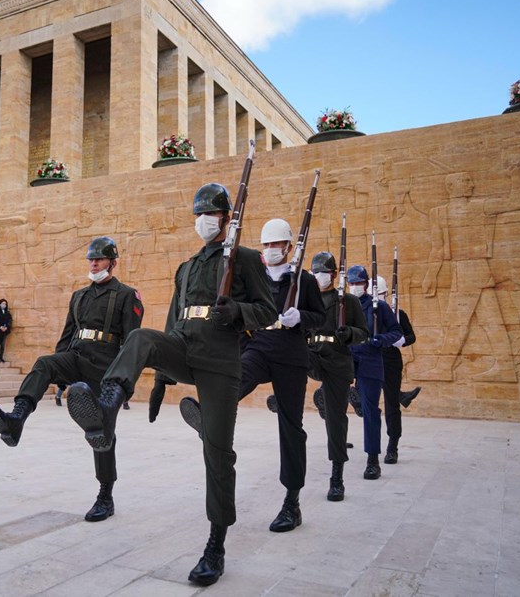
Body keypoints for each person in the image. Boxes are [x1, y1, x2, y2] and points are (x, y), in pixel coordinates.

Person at [66, 186, 276, 586]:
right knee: (142, 337)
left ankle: (216, 542)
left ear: (227, 217)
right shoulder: (188, 266)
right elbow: (172, 322)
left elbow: (268, 311)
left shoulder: (245, 259)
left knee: (217, 453)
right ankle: (106, 408)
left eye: (211, 212)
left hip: (219, 361)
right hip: (184, 346)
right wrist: (161, 375)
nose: (204, 219)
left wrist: (239, 311)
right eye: (199, 213)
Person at [178, 217, 325, 534]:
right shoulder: (252, 271)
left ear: (288, 246)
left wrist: (300, 317)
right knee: (235, 380)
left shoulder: (306, 281)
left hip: (290, 354)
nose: (271, 250)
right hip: (258, 345)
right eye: (267, 244)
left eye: (276, 244)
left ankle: (292, 501)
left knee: (291, 426)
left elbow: (320, 319)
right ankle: (207, 416)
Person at [0, 237, 144, 523]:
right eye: (91, 259)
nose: (94, 263)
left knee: (102, 434)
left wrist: (120, 385)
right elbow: (68, 334)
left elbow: (131, 344)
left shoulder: (127, 295)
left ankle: (105, 496)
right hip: (77, 356)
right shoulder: (79, 296)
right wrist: (60, 374)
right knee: (45, 363)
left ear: (113, 262)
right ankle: (16, 419)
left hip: (105, 368)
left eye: (99, 259)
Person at [303, 251, 369, 501]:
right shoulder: (306, 299)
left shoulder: (347, 301)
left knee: (336, 419)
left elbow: (363, 333)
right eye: (316, 271)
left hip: (337, 360)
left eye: (325, 272)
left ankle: (337, 476)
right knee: (287, 359)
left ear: (333, 274)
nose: (320, 276)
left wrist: (349, 333)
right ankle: (284, 394)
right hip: (312, 354)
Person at [347, 265, 403, 480]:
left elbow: (396, 331)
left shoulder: (378, 306)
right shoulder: (343, 304)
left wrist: (381, 340)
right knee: (336, 399)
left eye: (358, 283)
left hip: (370, 357)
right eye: (351, 283)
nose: (354, 287)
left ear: (366, 283)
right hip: (348, 357)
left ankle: (372, 460)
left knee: (371, 409)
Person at [370, 275, 419, 464]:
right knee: (366, 403)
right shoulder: (364, 310)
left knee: (391, 405)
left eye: (380, 294)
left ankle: (392, 446)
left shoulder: (397, 313)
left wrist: (402, 340)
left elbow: (411, 336)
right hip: (370, 358)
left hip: (390, 359)